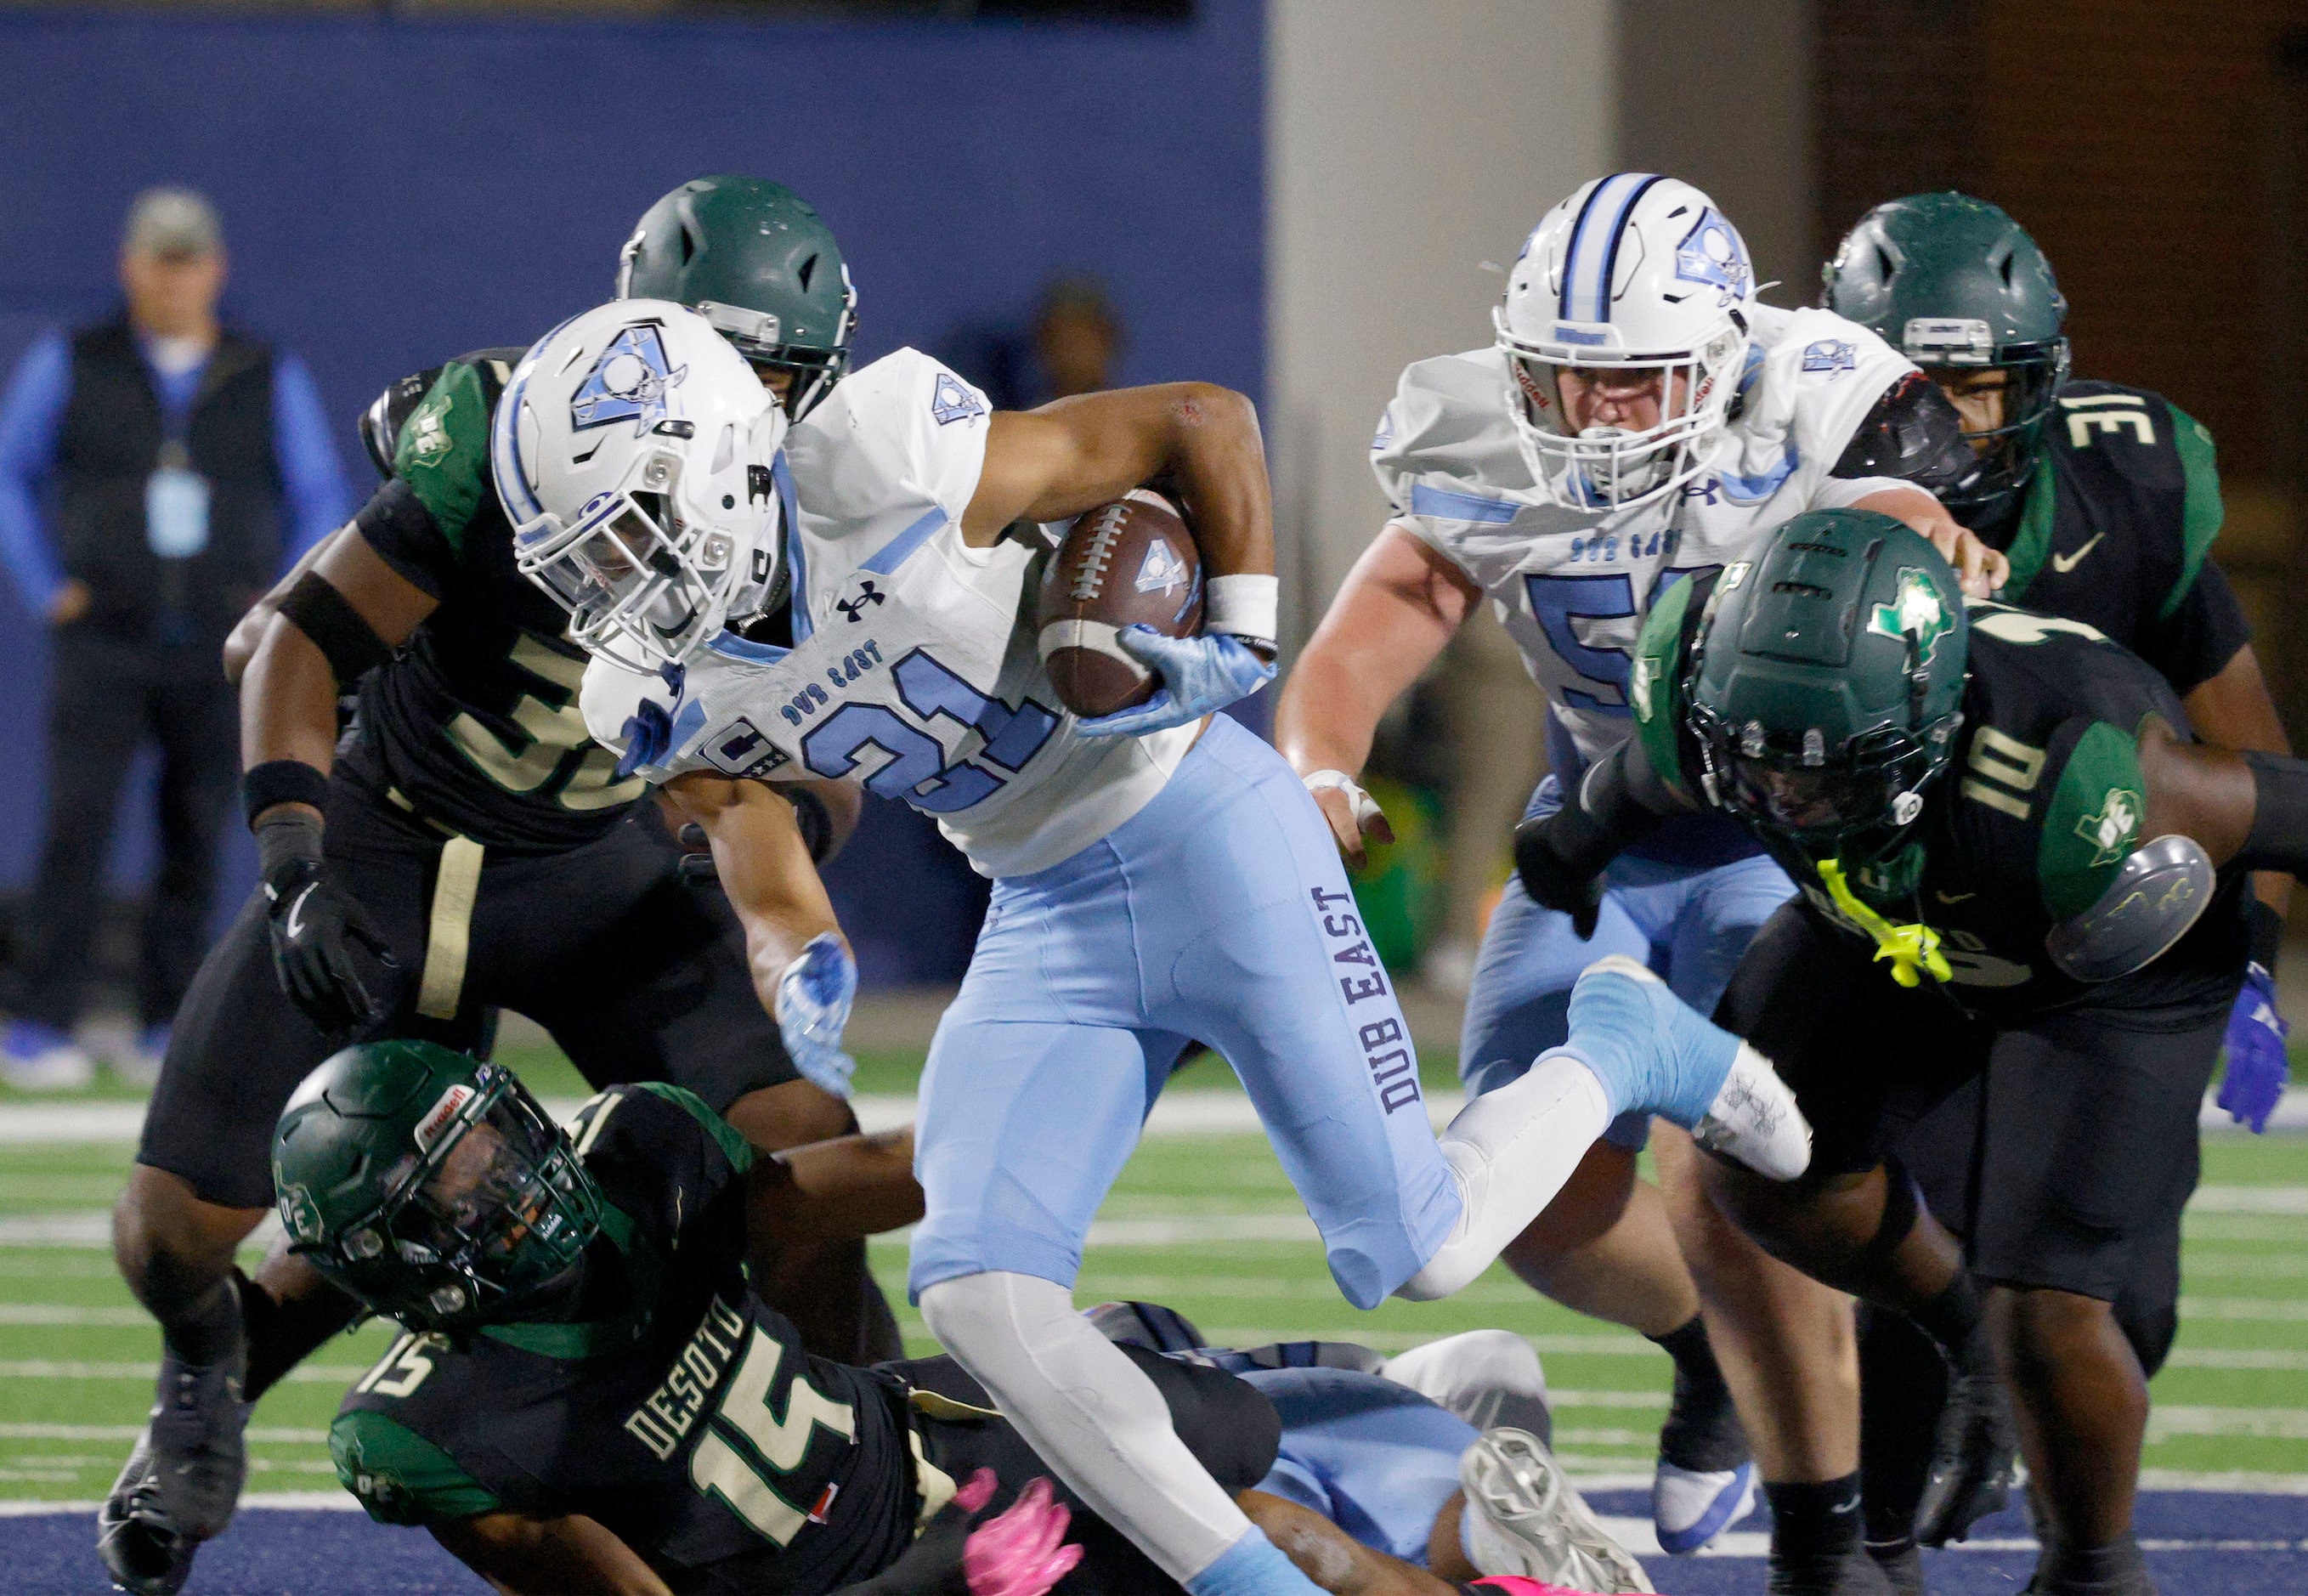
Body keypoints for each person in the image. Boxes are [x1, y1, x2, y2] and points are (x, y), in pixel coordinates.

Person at [503, 297, 1808, 1596]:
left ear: (729, 455)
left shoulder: (877, 456)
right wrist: (793, 940)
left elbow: (1201, 421)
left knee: (1418, 1248)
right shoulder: (652, 686)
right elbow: (750, 821)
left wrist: (1236, 637)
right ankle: (1255, 1583)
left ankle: (1626, 1040)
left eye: (629, 538)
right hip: (1042, 903)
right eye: (584, 565)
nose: (620, 587)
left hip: (1205, 832)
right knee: (980, 1291)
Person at [97, 176, 882, 1596]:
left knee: (806, 1159)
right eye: (720, 355)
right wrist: (294, 852)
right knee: (172, 1230)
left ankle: (874, 1456)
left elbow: (831, 759)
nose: (742, 398)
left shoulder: (812, 491)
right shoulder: (524, 425)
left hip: (601, 864)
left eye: (773, 371)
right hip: (397, 841)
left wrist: (769, 829)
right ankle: (205, 1372)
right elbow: (280, 639)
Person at [1270, 172, 2007, 1559]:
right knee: (1530, 1200)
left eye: (1642, 379)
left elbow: (1907, 514)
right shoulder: (1482, 439)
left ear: (1730, 356)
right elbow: (1369, 629)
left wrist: (1927, 540)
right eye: (1568, 379)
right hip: (1602, 822)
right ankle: (1704, 1354)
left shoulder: (1815, 395)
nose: (1601, 416)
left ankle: (1828, 1531)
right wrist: (1319, 762)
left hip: (1788, 837)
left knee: (1736, 1185)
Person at [1514, 509, 2308, 1596]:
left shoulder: (2087, 784)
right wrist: (1574, 842)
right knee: (1761, 1160)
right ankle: (1962, 1333)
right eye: (1756, 768)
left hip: (2106, 967)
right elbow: (1658, 774)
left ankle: (2094, 1568)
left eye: (1824, 775)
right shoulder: (1727, 705)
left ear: (1929, 725)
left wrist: (2257, 957)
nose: (1785, 801)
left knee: (2051, 1301)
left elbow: (2287, 807)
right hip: (1888, 926)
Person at [285, 1039, 1628, 1596]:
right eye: (463, 1194)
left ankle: (1377, 1414)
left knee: (1222, 1432)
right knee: (1200, 1521)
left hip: (908, 1428)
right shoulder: (436, 1431)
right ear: (404, 1261)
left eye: (498, 1146)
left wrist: (1113, 1065)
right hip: (869, 1577)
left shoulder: (638, 1155)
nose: (515, 1189)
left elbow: (865, 1184)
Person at [1808, 191, 2297, 1588]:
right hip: (1894, 915)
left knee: (2111, 1296)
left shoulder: (2126, 486)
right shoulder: (1789, 496)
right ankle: (1875, 1544)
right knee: (1907, 1243)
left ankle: (2076, 1552)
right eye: (1912, 385)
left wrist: (2246, 948)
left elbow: (2243, 740)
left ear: (2038, 384)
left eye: (1977, 383)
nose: (1951, 421)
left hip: (2102, 921)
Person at [0, 187, 353, 1089]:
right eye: (160, 259)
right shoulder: (77, 360)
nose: (175, 277)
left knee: (197, 829)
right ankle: (42, 1021)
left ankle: (170, 1019)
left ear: (214, 269)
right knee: (76, 825)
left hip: (217, 642)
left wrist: (280, 602)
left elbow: (320, 495)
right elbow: (10, 469)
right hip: (104, 636)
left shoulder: (262, 370)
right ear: (131, 267)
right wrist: (48, 590)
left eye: (189, 259)